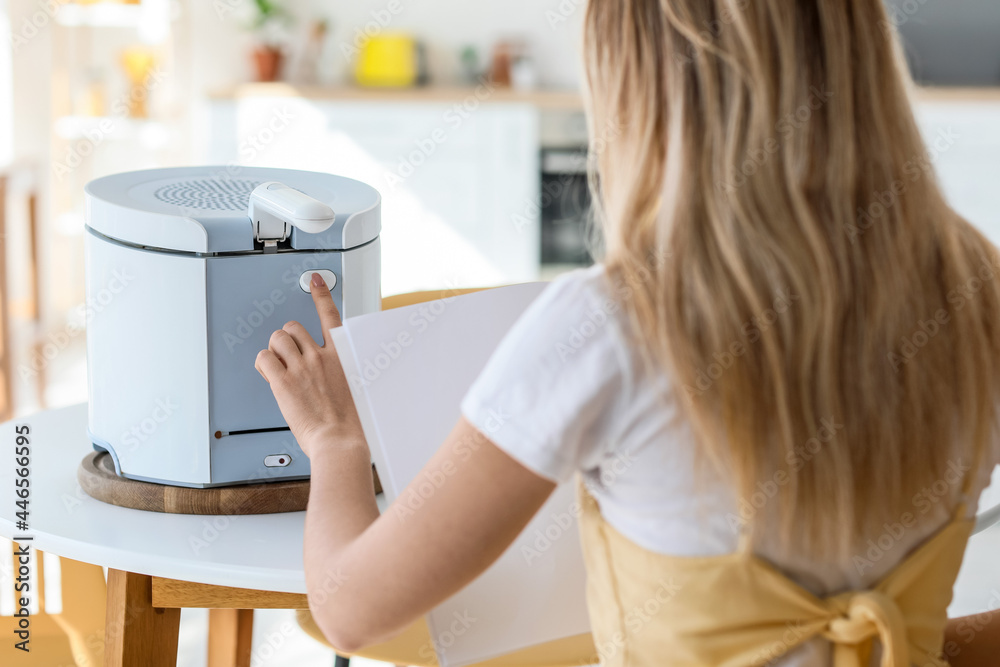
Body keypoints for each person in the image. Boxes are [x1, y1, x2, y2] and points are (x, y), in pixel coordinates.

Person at [254, 1, 1000, 665]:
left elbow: (351, 609)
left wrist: (336, 443)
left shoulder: (615, 322)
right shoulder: (976, 283)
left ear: (638, 91)